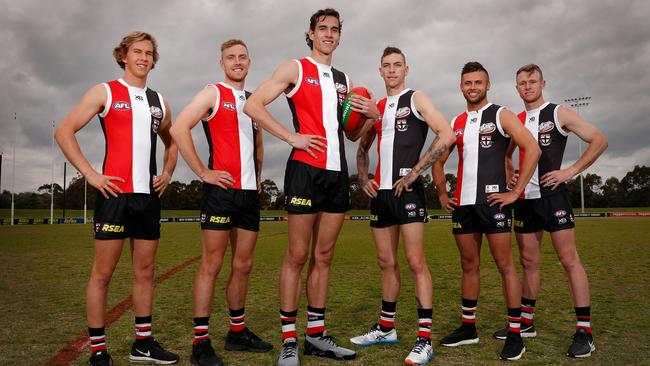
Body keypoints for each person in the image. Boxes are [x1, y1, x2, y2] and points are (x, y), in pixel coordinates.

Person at [244, 8, 379, 366]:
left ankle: (316, 336)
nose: (329, 34)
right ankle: (290, 341)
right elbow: (253, 105)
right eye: (323, 29)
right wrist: (292, 137)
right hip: (304, 170)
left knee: (324, 257)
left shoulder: (343, 79)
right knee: (297, 256)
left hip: (337, 175)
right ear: (311, 32)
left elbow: (350, 134)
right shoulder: (295, 68)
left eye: (335, 29)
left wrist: (371, 116)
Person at [55, 31, 179, 366]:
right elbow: (64, 131)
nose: (143, 58)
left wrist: (167, 173)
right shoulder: (105, 91)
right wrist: (92, 175)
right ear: (123, 56)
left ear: (154, 59)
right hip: (114, 195)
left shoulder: (159, 101)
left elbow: (174, 139)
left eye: (149, 53)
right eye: (137, 52)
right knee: (102, 274)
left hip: (147, 199)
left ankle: (142, 344)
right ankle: (98, 350)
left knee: (145, 272)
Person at [490, 64, 607, 358]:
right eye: (522, 83)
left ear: (543, 83)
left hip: (553, 197)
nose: (527, 86)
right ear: (516, 88)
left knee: (569, 260)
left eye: (532, 81)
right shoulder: (514, 120)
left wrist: (570, 172)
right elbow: (505, 156)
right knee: (529, 261)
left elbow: (599, 140)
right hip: (524, 200)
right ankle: (526, 322)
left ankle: (585, 331)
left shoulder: (558, 113)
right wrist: (509, 177)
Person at [169, 39, 271, 366]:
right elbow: (179, 127)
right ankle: (201, 343)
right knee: (211, 265)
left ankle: (237, 333)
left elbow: (258, 145)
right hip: (220, 192)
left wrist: (256, 180)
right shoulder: (214, 92)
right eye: (231, 57)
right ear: (222, 62)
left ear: (249, 62)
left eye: (242, 57)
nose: (237, 62)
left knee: (243, 265)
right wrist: (202, 172)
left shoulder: (256, 100)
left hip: (247, 195)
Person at [350, 47, 454, 365]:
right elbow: (360, 148)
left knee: (415, 262)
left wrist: (415, 172)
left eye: (397, 65)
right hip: (380, 194)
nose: (392, 70)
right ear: (380, 71)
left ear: (406, 69)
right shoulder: (377, 107)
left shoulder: (416, 99)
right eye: (386, 66)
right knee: (386, 263)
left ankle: (424, 339)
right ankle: (386, 328)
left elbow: (446, 134)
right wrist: (364, 177)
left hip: (406, 191)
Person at [432, 62, 541, 361]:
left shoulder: (501, 114)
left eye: (478, 82)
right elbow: (437, 160)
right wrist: (442, 192)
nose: (473, 87)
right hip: (463, 206)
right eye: (468, 82)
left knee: (505, 265)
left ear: (488, 84)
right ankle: (469, 328)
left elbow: (532, 148)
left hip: (494, 203)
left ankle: (516, 333)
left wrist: (516, 192)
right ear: (461, 86)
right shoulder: (455, 122)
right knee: (469, 265)